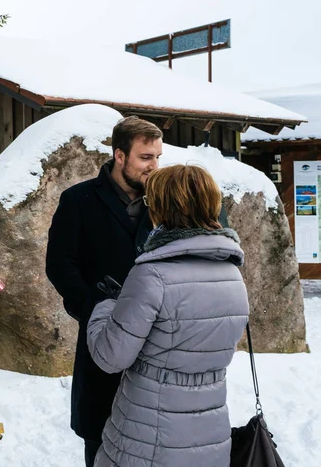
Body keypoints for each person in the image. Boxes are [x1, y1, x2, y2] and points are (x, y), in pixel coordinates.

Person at [87, 165, 249, 467]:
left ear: (162, 207)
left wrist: (107, 306)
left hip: (146, 441)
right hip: (210, 437)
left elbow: (110, 356)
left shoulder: (151, 274)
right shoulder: (232, 274)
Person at [46, 117, 164, 466]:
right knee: (99, 436)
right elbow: (60, 265)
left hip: (157, 343)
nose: (154, 166)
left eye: (158, 156)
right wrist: (95, 311)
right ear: (120, 156)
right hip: (102, 340)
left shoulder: (164, 200)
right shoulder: (78, 200)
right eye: (146, 157)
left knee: (152, 437)